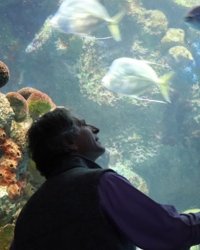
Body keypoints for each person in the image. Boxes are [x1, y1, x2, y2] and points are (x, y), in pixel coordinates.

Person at [10, 107, 200, 250]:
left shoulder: (28, 215)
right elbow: (171, 231)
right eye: (82, 124)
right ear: (69, 143)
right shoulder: (99, 183)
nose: (95, 129)